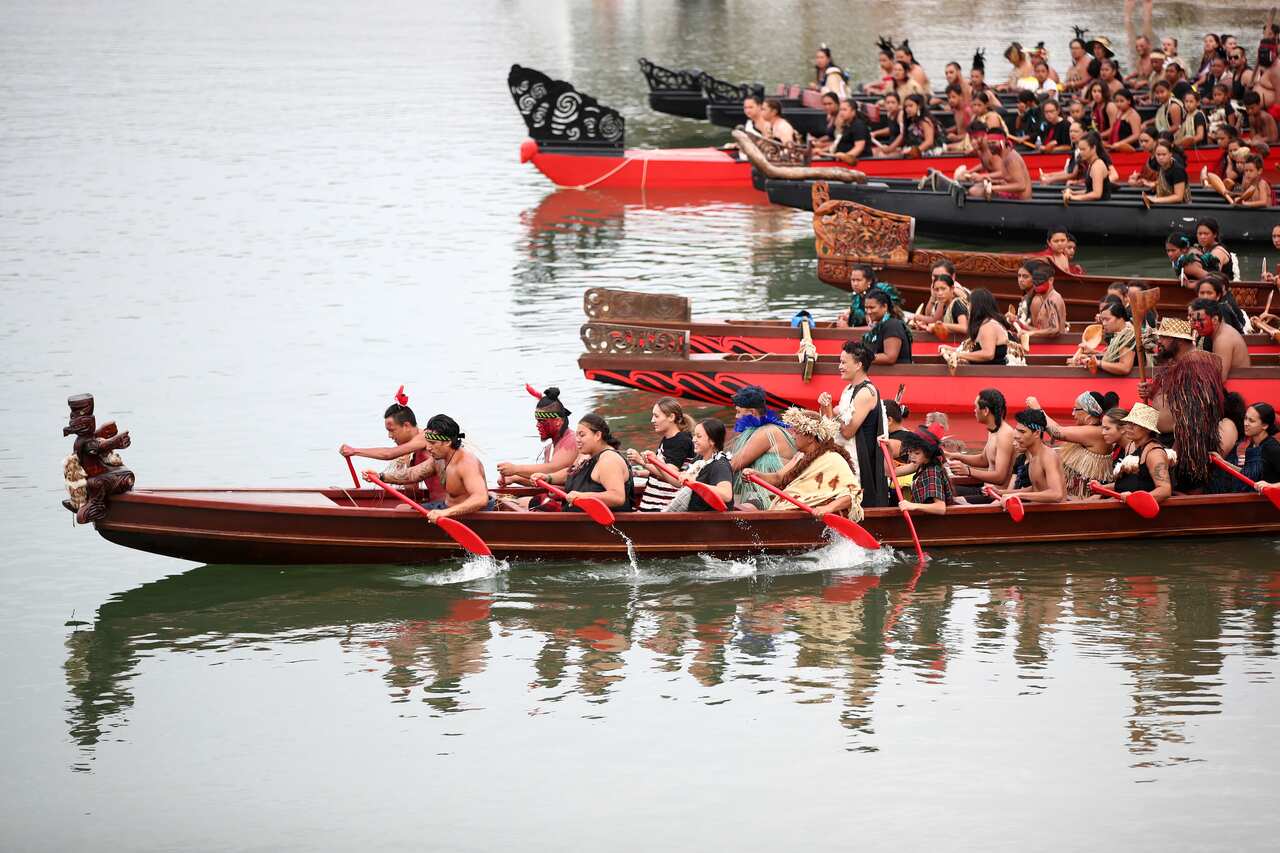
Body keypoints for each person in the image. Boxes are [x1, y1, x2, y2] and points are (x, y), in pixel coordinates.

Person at [1140, 317, 1225, 490]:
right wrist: (1153, 392)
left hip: (1182, 446)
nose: (1160, 342)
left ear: (1178, 340)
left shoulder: (1195, 365)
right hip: (1169, 442)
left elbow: (1193, 417)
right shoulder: (1180, 363)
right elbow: (1173, 401)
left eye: (1164, 337)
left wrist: (1174, 452)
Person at [747, 408, 864, 520]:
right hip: (787, 514)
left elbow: (853, 493)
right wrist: (756, 475)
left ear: (810, 438)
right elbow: (778, 478)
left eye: (796, 432)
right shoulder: (800, 457)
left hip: (808, 521)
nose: (792, 436)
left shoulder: (833, 459)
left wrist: (828, 508)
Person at [369, 414, 492, 519]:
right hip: (446, 508)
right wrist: (381, 476)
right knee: (402, 509)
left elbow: (481, 498)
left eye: (433, 443)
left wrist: (445, 513)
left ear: (448, 442)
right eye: (427, 442)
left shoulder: (467, 464)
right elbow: (412, 474)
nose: (428, 448)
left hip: (467, 516)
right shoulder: (438, 459)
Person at [340, 386, 445, 502]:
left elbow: (388, 454)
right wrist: (404, 465)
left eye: (391, 430)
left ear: (406, 426)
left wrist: (354, 451)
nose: (390, 436)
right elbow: (412, 491)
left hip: (447, 506)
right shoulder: (412, 449)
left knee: (402, 508)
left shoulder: (426, 437)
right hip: (436, 503)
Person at [818, 341, 890, 508]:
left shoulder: (866, 392)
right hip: (848, 455)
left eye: (843, 362)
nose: (839, 367)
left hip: (861, 461)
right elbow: (837, 417)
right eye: (840, 362)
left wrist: (829, 410)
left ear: (858, 365)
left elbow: (848, 432)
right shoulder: (849, 389)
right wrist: (825, 407)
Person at [530, 413, 633, 512]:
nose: (577, 440)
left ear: (597, 435)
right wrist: (548, 478)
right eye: (576, 435)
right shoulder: (587, 455)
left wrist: (583, 496)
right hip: (575, 520)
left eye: (582, 435)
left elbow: (617, 497)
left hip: (594, 526)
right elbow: (572, 473)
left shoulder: (609, 460)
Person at [1027, 391, 1120, 499]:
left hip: (1084, 501)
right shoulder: (1090, 431)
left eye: (1076, 409)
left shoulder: (1098, 432)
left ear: (1088, 415)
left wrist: (1038, 409)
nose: (1072, 414)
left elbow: (1056, 432)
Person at [496, 386, 580, 487]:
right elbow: (544, 479)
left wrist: (515, 469)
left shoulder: (572, 440)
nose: (537, 425)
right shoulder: (549, 449)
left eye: (542, 421)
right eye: (537, 421)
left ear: (558, 421)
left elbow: (554, 469)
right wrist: (515, 478)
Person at [728, 385, 796, 508]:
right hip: (760, 495)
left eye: (738, 412)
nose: (736, 416)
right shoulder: (758, 431)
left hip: (773, 497)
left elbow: (734, 464)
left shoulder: (767, 432)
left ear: (752, 412)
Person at [944, 388, 1016, 499]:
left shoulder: (1005, 435)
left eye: (976, 407)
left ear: (986, 411)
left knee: (948, 498)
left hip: (996, 497)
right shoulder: (993, 430)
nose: (974, 410)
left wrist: (968, 471)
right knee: (945, 490)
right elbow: (984, 460)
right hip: (985, 490)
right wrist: (955, 456)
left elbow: (1000, 477)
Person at [628, 397, 695, 512]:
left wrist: (641, 461)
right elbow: (661, 471)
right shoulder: (668, 439)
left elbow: (671, 474)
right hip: (654, 504)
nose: (652, 420)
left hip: (663, 507)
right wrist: (639, 472)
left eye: (656, 416)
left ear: (671, 417)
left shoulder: (680, 440)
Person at [655, 418, 733, 513]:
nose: (693, 439)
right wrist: (656, 463)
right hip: (696, 518)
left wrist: (695, 484)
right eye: (694, 435)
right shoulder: (699, 459)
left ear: (712, 441)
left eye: (699, 436)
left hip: (711, 523)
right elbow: (678, 481)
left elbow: (726, 495)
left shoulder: (720, 465)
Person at [991, 409, 1066, 503]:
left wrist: (1018, 495)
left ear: (1037, 433)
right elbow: (1036, 488)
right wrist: (1002, 492)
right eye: (1017, 430)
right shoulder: (1033, 457)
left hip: (1057, 516)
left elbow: (1057, 494)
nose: (1016, 436)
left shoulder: (1048, 456)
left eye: (1022, 432)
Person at [1104, 402, 1173, 503]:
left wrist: (1134, 499)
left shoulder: (1154, 453)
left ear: (1148, 429)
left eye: (1135, 424)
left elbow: (1164, 490)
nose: (1129, 427)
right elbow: (1130, 483)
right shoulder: (1134, 447)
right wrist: (1102, 487)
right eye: (1129, 422)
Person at [1211, 403, 1280, 491]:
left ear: (1265, 425)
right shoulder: (1253, 446)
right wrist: (1221, 461)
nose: (1246, 423)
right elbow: (1246, 474)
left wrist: (1271, 485)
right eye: (1245, 418)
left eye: (1251, 421)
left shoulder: (1272, 448)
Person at [893, 426, 955, 515]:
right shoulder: (919, 464)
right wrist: (889, 449)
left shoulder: (932, 472)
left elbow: (940, 508)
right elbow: (890, 472)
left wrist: (912, 505)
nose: (911, 456)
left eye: (917, 453)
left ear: (928, 453)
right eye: (910, 452)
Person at [1188, 298, 1251, 381]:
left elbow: (1219, 379)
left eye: (1201, 320)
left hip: (1239, 387)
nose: (1196, 325)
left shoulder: (1222, 340)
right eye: (1194, 320)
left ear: (1215, 320)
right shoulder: (1220, 332)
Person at [1073, 299, 1137, 375]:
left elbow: (1125, 368)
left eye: (1107, 319)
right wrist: (1092, 353)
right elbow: (1113, 358)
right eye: (1102, 320)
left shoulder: (1128, 336)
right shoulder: (1118, 334)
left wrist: (1098, 363)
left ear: (1120, 318)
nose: (1104, 323)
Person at [951, 287, 1012, 365]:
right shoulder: (987, 323)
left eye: (969, 304)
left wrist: (960, 355)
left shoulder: (988, 326)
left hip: (995, 374)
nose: (968, 308)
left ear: (977, 306)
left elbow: (988, 354)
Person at [968, 127, 1032, 199]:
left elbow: (1021, 186)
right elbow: (1008, 178)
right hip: (1014, 196)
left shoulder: (1011, 158)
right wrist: (989, 179)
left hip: (1020, 201)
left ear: (1003, 142)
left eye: (993, 143)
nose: (990, 146)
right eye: (988, 144)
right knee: (977, 188)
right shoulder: (1004, 156)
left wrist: (993, 188)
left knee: (975, 191)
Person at [837, 263, 901, 327]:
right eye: (853, 280)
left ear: (869, 281)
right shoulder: (856, 296)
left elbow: (893, 312)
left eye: (858, 280)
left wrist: (849, 328)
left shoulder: (884, 289)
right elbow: (858, 318)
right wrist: (848, 316)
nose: (855, 284)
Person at [908, 271, 968, 336]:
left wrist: (938, 325)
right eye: (936, 290)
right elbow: (938, 324)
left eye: (943, 289)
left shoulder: (957, 303)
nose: (940, 293)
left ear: (952, 289)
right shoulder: (939, 304)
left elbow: (964, 328)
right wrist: (925, 327)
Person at [861, 289, 912, 364]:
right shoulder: (879, 325)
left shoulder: (892, 325)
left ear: (885, 306)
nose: (868, 311)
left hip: (898, 374)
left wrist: (860, 358)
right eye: (866, 308)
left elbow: (890, 358)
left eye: (872, 308)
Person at [1206, 153, 1273, 207]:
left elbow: (1264, 202)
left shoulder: (1262, 184)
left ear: (1259, 171)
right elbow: (1245, 195)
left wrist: (1245, 204)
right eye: (1246, 171)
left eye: (1251, 171)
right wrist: (1233, 194)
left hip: (1266, 214)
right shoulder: (1249, 183)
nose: (1248, 173)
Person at [1062, 131, 1114, 201]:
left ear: (1093, 148)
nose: (1080, 152)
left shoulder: (1097, 166)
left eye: (1083, 149)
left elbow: (1096, 194)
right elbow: (1089, 191)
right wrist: (1073, 193)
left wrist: (1073, 197)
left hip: (1101, 209)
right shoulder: (1092, 164)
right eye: (1080, 149)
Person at [1022, 262, 1067, 340]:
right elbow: (1042, 331)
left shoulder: (1052, 299)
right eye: (1034, 282)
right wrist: (1020, 325)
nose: (1037, 285)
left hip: (1055, 347)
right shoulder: (1046, 299)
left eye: (1040, 281)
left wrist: (1031, 333)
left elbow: (1054, 329)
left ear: (1051, 280)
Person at [1141, 139, 1190, 206]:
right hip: (1166, 205)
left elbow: (1178, 197)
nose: (1161, 157)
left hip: (1182, 208)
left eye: (1164, 154)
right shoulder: (1159, 164)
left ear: (1170, 154)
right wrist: (1153, 184)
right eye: (1158, 154)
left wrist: (1155, 199)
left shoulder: (1177, 170)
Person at [828, 99, 872, 163]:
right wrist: (823, 151)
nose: (841, 112)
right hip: (842, 160)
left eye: (844, 110)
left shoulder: (858, 125)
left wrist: (845, 156)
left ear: (853, 112)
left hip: (859, 162)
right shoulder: (845, 124)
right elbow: (837, 143)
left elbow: (859, 148)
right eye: (840, 110)